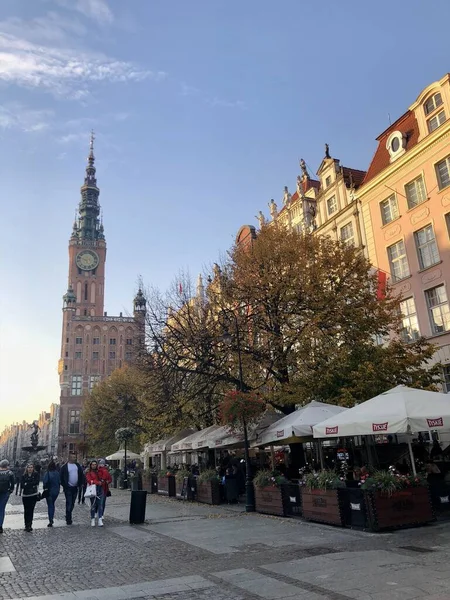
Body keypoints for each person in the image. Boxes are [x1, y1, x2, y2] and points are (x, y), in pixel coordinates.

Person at [60, 452, 84, 525]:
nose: (74, 458)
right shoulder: (64, 467)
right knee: (69, 503)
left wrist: (81, 483)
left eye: (75, 457)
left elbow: (81, 475)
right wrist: (65, 485)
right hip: (68, 488)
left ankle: (68, 513)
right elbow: (61, 477)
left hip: (75, 487)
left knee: (73, 503)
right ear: (69, 457)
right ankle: (68, 518)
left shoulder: (77, 466)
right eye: (73, 457)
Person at [85, 460, 112, 527]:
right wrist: (97, 482)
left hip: (100, 489)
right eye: (92, 464)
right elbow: (89, 480)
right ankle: (93, 519)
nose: (94, 466)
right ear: (91, 465)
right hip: (93, 490)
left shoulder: (100, 471)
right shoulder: (89, 472)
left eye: (95, 464)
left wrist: (103, 480)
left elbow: (106, 475)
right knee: (93, 505)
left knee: (100, 505)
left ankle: (100, 518)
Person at [21, 464, 40, 532]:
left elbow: (36, 482)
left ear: (33, 468)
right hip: (25, 495)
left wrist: (27, 483)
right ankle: (26, 525)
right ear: (27, 468)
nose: (30, 469)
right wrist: (31, 484)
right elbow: (22, 485)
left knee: (31, 510)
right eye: (29, 467)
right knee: (26, 510)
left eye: (31, 467)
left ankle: (29, 525)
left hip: (33, 495)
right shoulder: (24, 475)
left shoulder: (36, 474)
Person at [43, 461, 60, 527]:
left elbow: (45, 482)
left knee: (50, 505)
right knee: (52, 504)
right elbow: (59, 481)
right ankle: (51, 517)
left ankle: (50, 519)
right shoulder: (57, 473)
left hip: (49, 491)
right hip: (56, 491)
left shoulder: (47, 473)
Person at [0, 459, 15, 533]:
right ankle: (0, 526)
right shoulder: (10, 473)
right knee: (1, 509)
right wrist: (10, 491)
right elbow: (13, 484)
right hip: (5, 493)